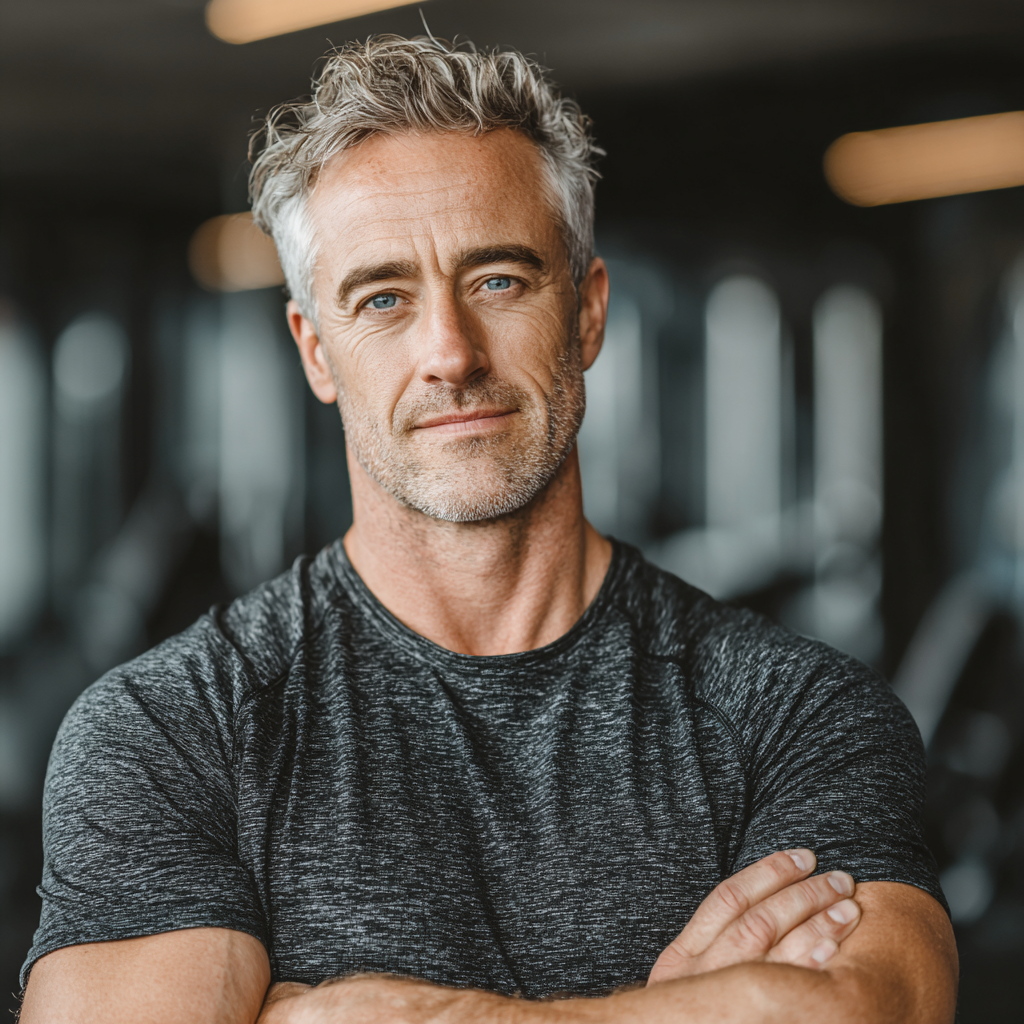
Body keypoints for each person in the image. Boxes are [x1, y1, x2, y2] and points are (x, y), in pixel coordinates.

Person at [20, 35, 956, 1024]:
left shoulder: (798, 717)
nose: (449, 353)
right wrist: (666, 1010)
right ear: (316, 352)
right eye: (382, 299)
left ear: (587, 313)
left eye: (499, 280)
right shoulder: (174, 732)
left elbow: (867, 1008)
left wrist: (367, 1014)